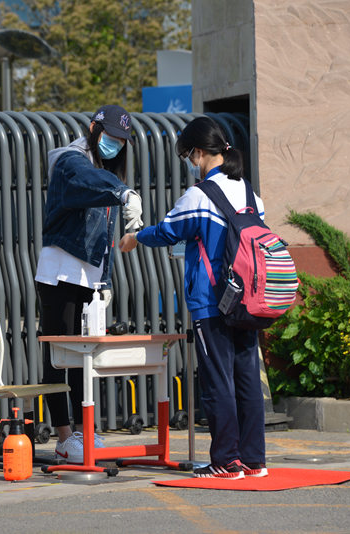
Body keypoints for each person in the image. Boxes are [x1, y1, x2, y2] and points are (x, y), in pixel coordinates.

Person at [119, 116, 268, 479]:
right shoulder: (251, 194)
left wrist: (135, 237)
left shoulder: (200, 195)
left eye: (188, 155)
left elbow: (169, 231)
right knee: (247, 379)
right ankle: (254, 461)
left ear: (199, 153)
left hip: (212, 301)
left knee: (218, 381)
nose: (189, 162)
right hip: (247, 300)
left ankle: (226, 461)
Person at [36, 104, 144, 464]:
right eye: (110, 137)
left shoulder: (104, 169)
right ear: (94, 130)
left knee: (85, 357)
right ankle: (64, 436)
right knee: (59, 356)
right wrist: (124, 193)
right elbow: (85, 179)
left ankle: (85, 429)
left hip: (89, 277)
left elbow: (105, 237)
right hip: (60, 271)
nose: (115, 145)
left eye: (121, 141)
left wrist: (105, 279)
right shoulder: (71, 160)